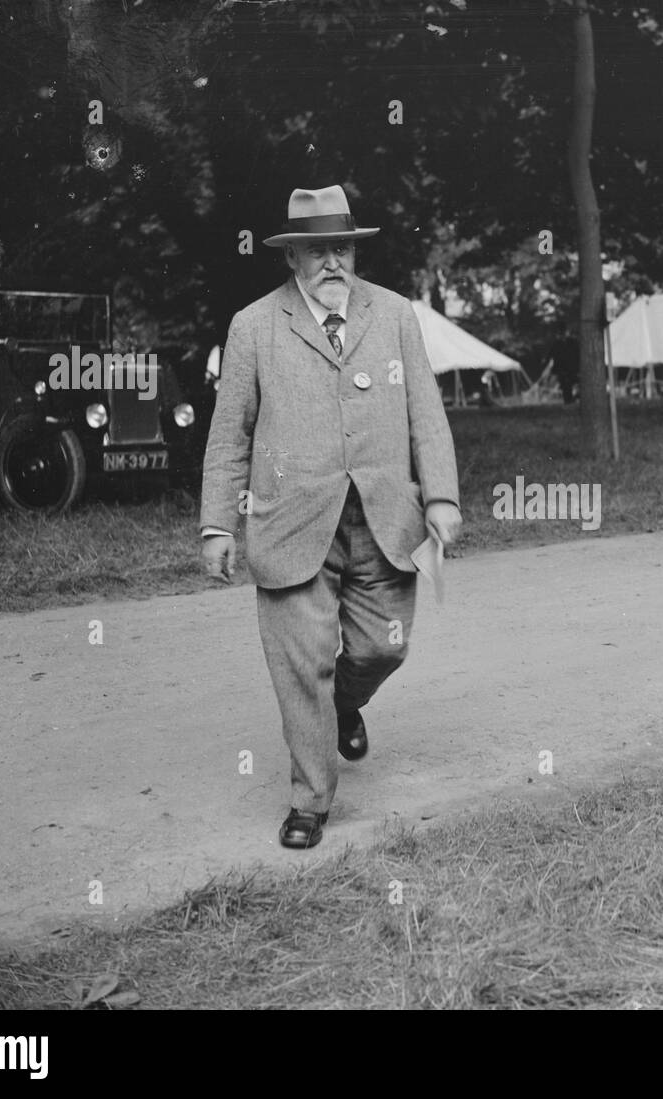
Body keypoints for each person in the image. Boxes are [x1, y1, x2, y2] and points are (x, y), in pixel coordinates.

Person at [199, 185, 461, 849]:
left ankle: (347, 702)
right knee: (301, 666)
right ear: (293, 259)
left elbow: (426, 411)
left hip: (384, 522)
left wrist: (441, 498)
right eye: (316, 250)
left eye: (340, 247)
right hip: (290, 523)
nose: (331, 262)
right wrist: (217, 524)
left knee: (384, 645)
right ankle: (309, 801)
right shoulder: (253, 327)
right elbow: (229, 432)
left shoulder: (397, 315)